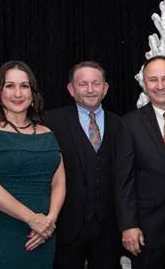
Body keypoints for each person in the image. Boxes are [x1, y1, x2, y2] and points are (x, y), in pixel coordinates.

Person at [0, 60, 65, 268]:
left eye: (24, 86)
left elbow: (59, 183)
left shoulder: (47, 134)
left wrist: (50, 222)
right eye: (10, 86)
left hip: (42, 236)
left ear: (33, 93)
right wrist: (32, 219)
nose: (18, 93)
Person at [46, 61, 124, 268]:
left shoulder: (120, 124)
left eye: (96, 83)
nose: (90, 90)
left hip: (109, 230)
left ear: (105, 88)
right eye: (83, 84)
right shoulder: (50, 122)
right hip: (66, 227)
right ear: (71, 89)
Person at [115, 55, 165, 268]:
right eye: (153, 80)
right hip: (148, 228)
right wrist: (128, 225)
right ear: (145, 85)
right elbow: (123, 181)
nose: (160, 86)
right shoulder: (129, 124)